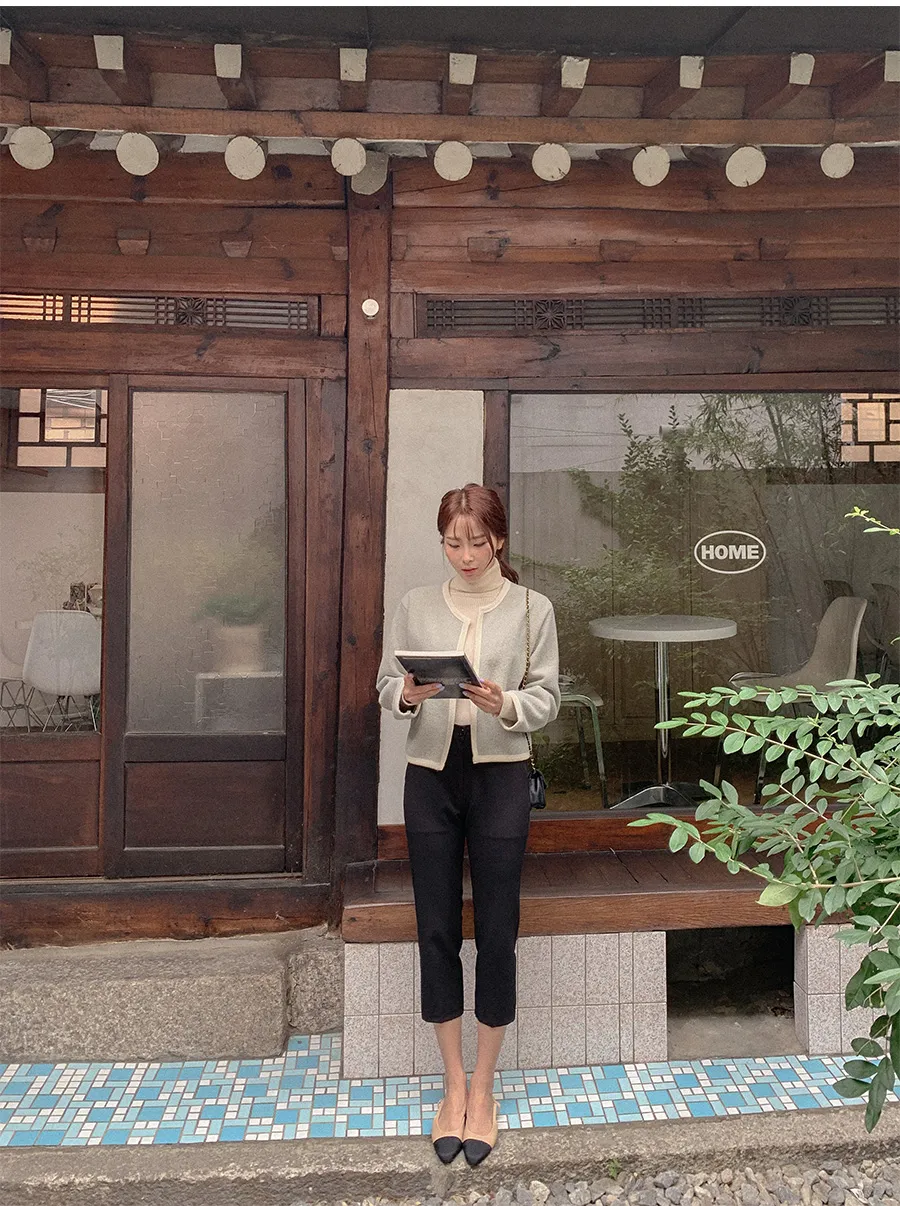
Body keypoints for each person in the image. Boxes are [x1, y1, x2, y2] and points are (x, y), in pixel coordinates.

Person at [376, 484, 560, 1166]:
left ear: (499, 540)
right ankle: (451, 1084)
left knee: (498, 928)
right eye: (453, 543)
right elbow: (385, 685)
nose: (465, 555)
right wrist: (406, 693)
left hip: (500, 772)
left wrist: (504, 703)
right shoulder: (416, 605)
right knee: (436, 926)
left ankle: (483, 1087)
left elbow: (548, 696)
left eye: (477, 542)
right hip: (430, 772)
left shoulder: (533, 608)